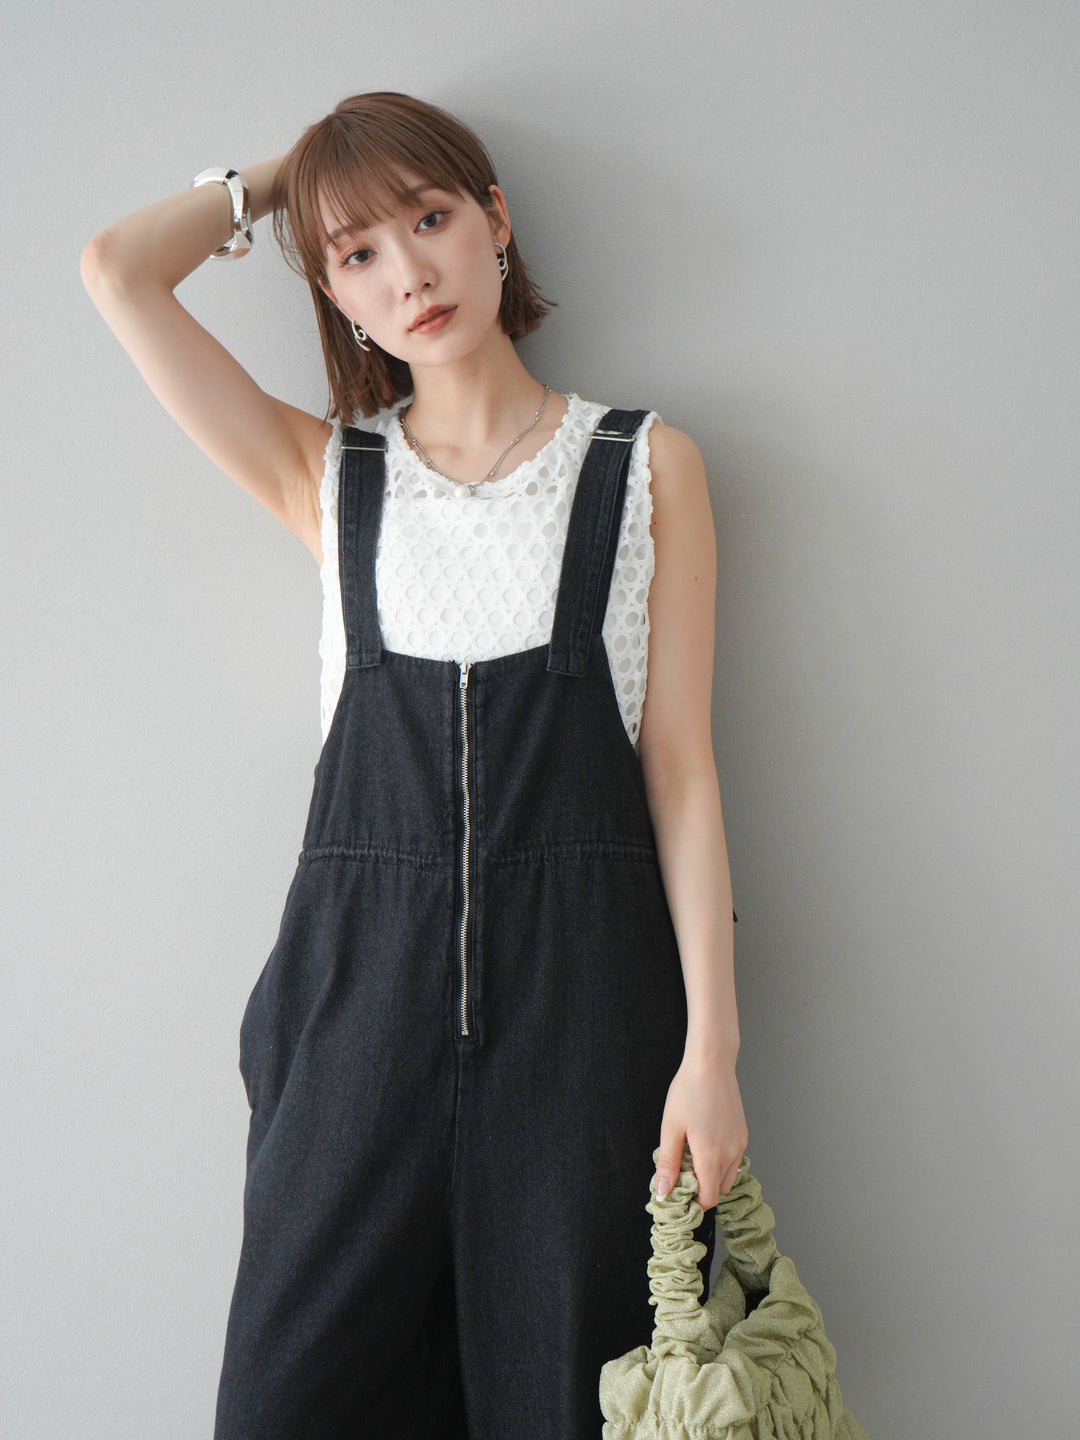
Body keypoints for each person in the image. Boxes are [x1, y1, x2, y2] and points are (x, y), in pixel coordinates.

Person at [80, 90, 748, 1440]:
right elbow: (117, 271)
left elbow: (680, 772)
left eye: (431, 217)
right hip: (354, 1028)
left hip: (587, 1032)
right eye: (359, 254)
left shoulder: (645, 466)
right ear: (334, 294)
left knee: (573, 1404)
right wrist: (300, 175)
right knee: (288, 1403)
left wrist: (713, 1054)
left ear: (495, 220)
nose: (410, 274)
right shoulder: (331, 477)